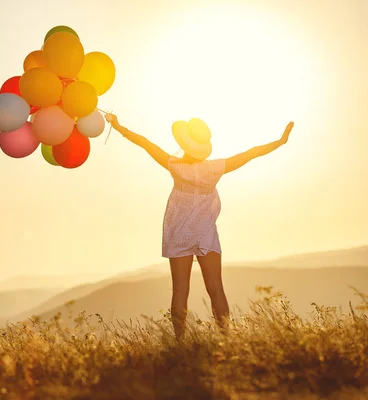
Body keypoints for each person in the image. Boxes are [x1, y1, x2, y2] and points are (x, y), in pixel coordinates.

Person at [104, 113, 294, 340]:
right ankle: (225, 339)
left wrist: (118, 126)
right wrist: (279, 142)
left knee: (180, 291)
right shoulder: (214, 169)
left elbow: (145, 143)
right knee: (216, 289)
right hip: (205, 235)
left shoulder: (175, 166)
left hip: (179, 234)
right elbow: (249, 154)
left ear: (184, 144)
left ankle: (180, 343)